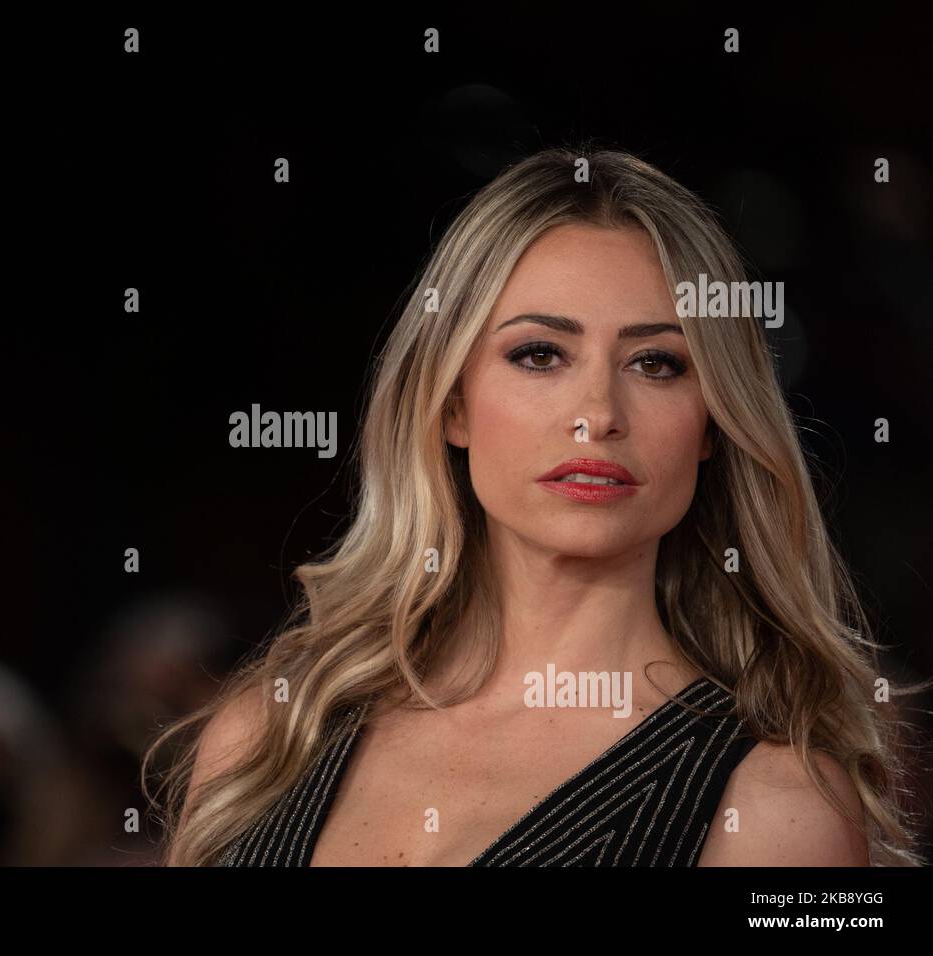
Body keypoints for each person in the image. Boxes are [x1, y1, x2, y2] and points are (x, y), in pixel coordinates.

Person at [145, 147, 926, 867]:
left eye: (656, 363)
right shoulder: (268, 738)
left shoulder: (778, 813)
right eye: (539, 354)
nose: (597, 413)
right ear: (452, 404)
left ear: (713, 425)